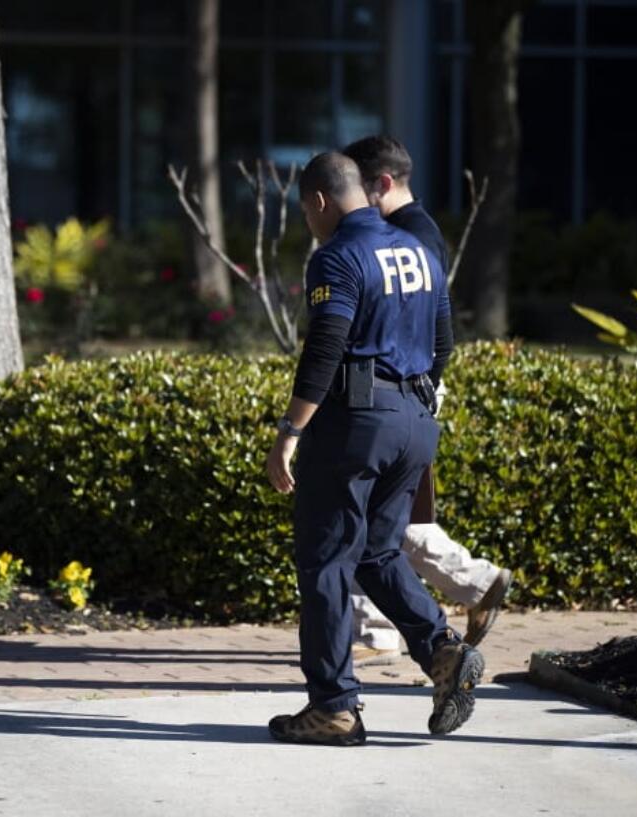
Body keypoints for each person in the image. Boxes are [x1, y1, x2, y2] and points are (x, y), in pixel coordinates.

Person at [265, 152, 484, 746]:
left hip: (356, 424)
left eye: (306, 210)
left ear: (318, 201)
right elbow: (443, 345)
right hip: (415, 421)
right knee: (378, 552)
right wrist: (406, 399)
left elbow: (325, 346)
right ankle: (442, 652)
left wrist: (290, 431)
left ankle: (333, 706)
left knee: (326, 560)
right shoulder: (418, 249)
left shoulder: (337, 254)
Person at [340, 135, 513, 664]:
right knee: (379, 512)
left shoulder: (407, 237)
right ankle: (383, 625)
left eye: (355, 188)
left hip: (396, 392)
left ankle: (459, 589)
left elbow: (427, 333)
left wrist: (416, 389)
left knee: (369, 511)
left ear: (383, 184)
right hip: (408, 390)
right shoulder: (419, 233)